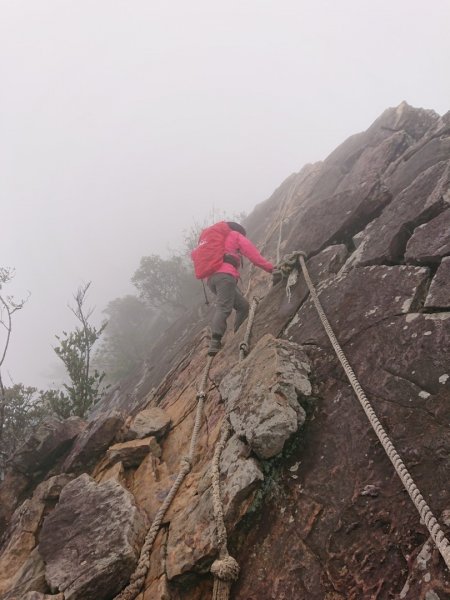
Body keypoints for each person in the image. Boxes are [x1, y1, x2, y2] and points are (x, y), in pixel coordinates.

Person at [207, 222, 273, 355]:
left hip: (211, 279)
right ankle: (215, 341)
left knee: (243, 306)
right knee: (224, 307)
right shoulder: (234, 235)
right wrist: (271, 268)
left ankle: (238, 333)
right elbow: (253, 255)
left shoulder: (216, 240)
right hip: (225, 277)